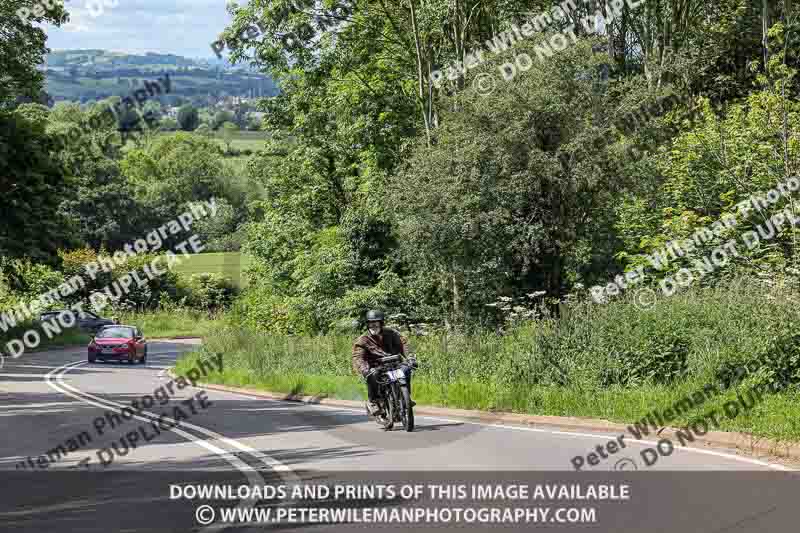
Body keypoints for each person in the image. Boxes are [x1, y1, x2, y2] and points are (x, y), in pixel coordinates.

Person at [352, 310, 412, 416]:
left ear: (381, 323)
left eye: (376, 322)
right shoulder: (363, 339)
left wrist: (410, 358)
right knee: (372, 375)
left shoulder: (392, 333)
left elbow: (404, 345)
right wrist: (364, 369)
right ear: (367, 324)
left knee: (407, 369)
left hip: (394, 364)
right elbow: (358, 357)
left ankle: (405, 397)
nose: (373, 325)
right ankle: (373, 402)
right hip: (376, 367)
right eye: (370, 323)